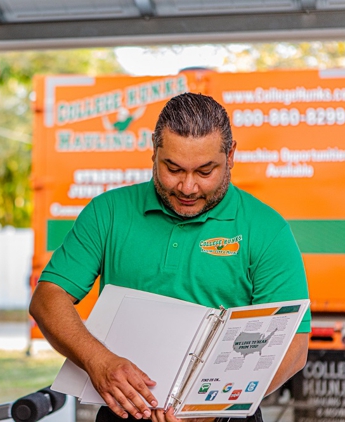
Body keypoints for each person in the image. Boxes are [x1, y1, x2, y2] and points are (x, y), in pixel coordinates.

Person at [29, 92, 310, 422]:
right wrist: (98, 361)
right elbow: (48, 298)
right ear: (154, 150)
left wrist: (211, 412)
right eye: (173, 168)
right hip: (123, 414)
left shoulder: (266, 229)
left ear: (230, 155)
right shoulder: (108, 213)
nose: (188, 187)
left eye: (205, 171)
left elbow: (293, 345)